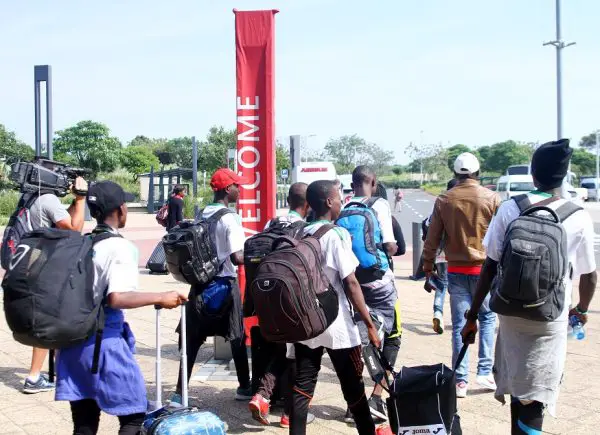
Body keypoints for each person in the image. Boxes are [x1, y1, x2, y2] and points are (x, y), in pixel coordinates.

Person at [461, 140, 597, 434]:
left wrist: (472, 316)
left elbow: (490, 266)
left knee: (516, 381)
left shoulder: (511, 208)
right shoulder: (578, 215)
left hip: (509, 311)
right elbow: (589, 276)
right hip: (550, 316)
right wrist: (582, 309)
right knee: (535, 394)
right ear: (563, 177)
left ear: (533, 174)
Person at [55, 181, 187, 435]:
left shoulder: (82, 243)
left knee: (84, 422)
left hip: (71, 345)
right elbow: (117, 298)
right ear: (120, 209)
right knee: (134, 417)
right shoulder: (120, 247)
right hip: (104, 343)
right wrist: (162, 296)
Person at [290, 179, 391, 435]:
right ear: (328, 202)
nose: (340, 202)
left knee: (302, 386)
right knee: (353, 387)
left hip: (307, 320)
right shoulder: (336, 234)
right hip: (337, 323)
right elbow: (351, 283)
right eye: (338, 198)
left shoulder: (299, 233)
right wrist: (369, 324)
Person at [422, 152, 500, 398]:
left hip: (455, 270)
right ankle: (485, 372)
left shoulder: (444, 199)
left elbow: (433, 237)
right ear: (478, 173)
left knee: (459, 325)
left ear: (455, 173)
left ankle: (460, 380)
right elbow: (502, 236)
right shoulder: (492, 198)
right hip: (485, 270)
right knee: (487, 319)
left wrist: (427, 265)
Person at [171, 168, 252, 405]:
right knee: (236, 336)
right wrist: (259, 255)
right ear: (228, 189)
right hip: (225, 285)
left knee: (192, 341)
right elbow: (237, 257)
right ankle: (244, 386)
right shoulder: (229, 218)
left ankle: (179, 392)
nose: (240, 189)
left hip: (200, 285)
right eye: (237, 185)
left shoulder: (202, 214)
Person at [247, 182, 315, 428]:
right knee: (297, 355)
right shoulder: (305, 229)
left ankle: (263, 396)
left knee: (280, 351)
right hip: (291, 302)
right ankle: (289, 413)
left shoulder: (271, 224)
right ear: (308, 204)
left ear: (287, 201)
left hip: (266, 299)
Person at [18, 173, 88, 394]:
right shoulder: (48, 199)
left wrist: (73, 201)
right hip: (43, 266)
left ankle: (61, 368)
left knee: (53, 317)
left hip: (31, 261)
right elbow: (74, 230)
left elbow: (59, 222)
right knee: (47, 319)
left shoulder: (32, 196)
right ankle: (33, 377)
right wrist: (81, 198)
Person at [342, 166, 401, 424]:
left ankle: (353, 401)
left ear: (352, 183)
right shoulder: (379, 204)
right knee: (394, 336)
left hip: (353, 283)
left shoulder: (343, 206)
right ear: (373, 182)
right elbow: (390, 245)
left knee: (356, 341)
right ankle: (376, 398)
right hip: (379, 282)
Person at [423, 178, 458, 335]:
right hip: (459, 255)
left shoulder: (441, 203)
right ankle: (460, 316)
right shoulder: (462, 204)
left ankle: (438, 313)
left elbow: (428, 226)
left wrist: (428, 261)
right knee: (459, 287)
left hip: (440, 255)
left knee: (442, 284)